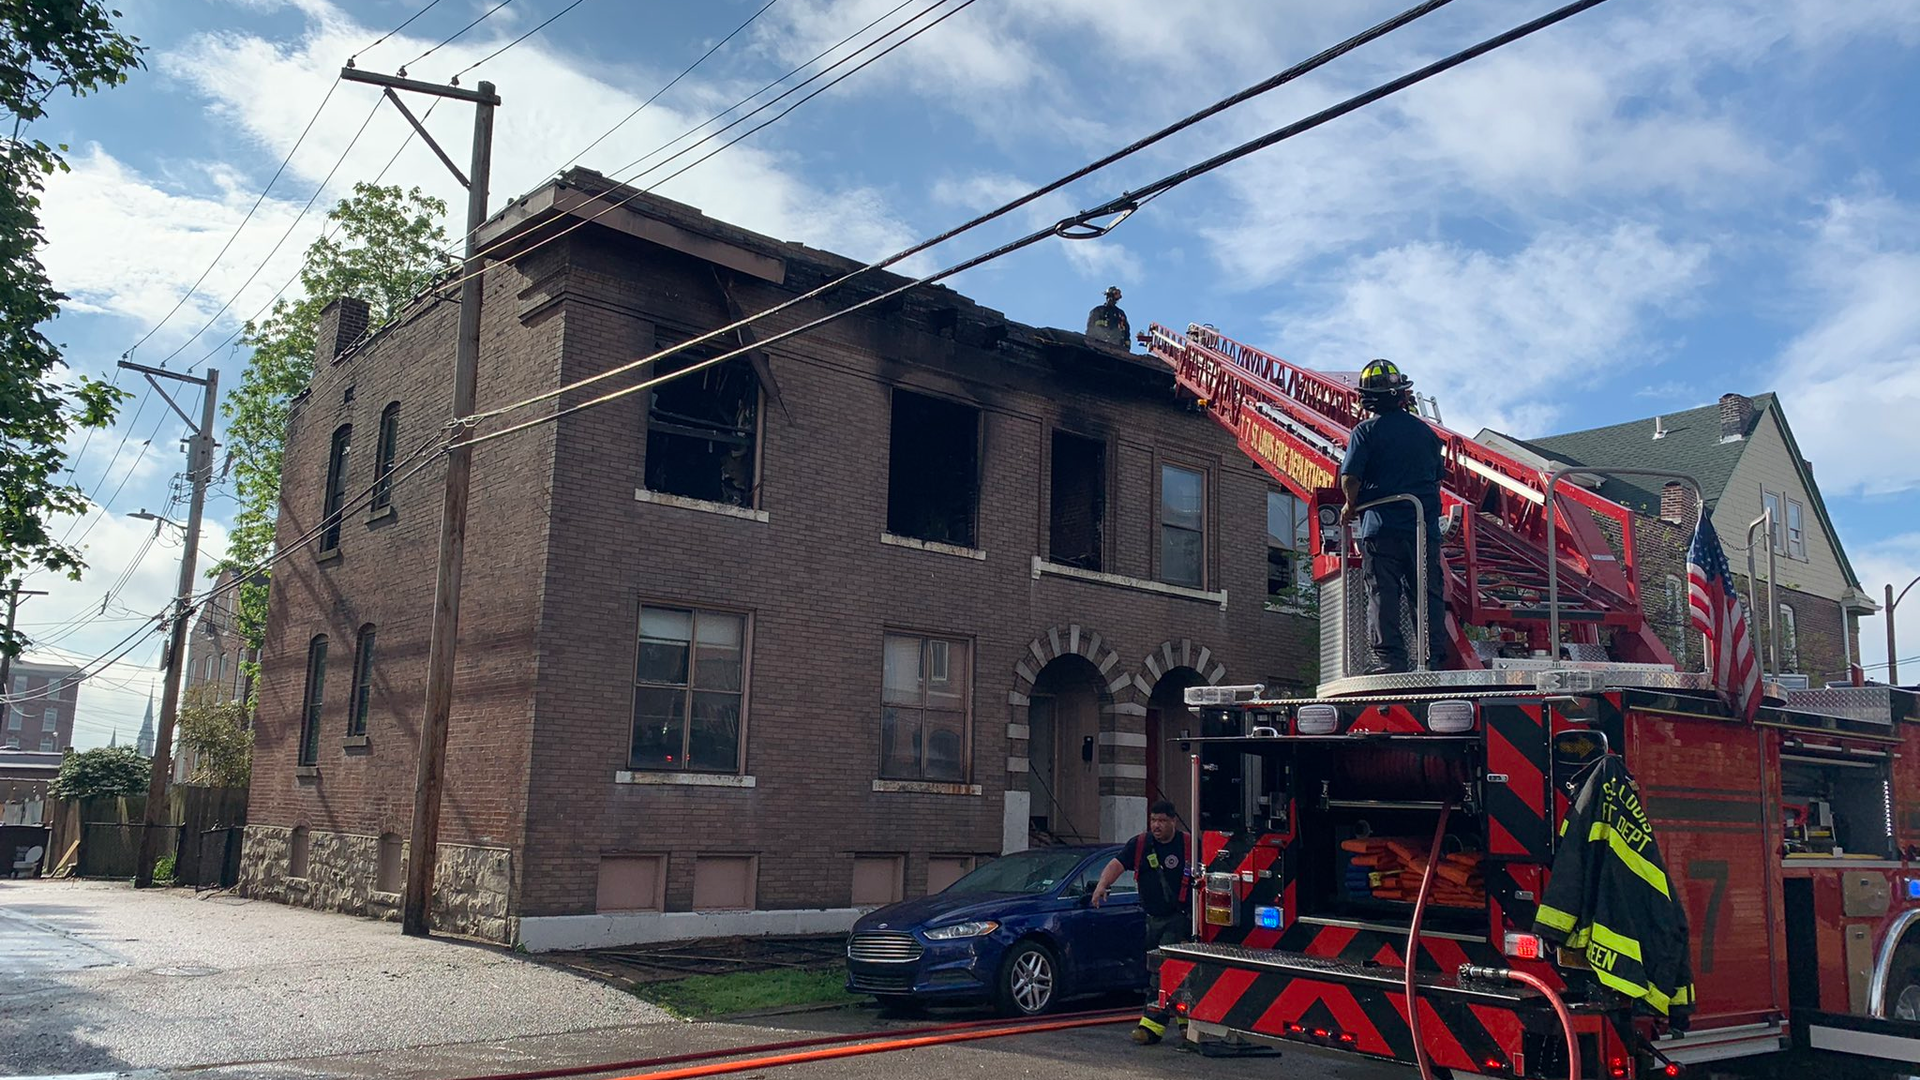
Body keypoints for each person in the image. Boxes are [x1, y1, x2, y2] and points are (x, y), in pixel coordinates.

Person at [1338, 358, 1446, 674]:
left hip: (1381, 527)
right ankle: (1432, 658)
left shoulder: (1365, 431)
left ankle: (1389, 659)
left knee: (1383, 592)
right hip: (1422, 527)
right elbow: (1436, 478)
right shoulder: (1427, 435)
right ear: (1401, 393)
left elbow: (1350, 478)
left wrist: (1350, 505)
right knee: (1426, 593)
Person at [1093, 800, 1191, 1045]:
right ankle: (1188, 1025)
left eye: (1162, 821)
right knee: (1169, 973)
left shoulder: (1188, 845)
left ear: (1173, 821)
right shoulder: (1140, 844)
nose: (1156, 826)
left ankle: (1151, 1027)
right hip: (1152, 919)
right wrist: (1102, 885)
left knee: (1164, 971)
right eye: (1153, 820)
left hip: (1179, 919)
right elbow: (1117, 864)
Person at [1085, 286, 1131, 350]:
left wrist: (1127, 347)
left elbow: (1126, 332)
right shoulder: (1098, 311)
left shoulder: (1120, 314)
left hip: (1118, 348)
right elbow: (1090, 329)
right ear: (1108, 295)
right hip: (1099, 345)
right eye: (1115, 293)